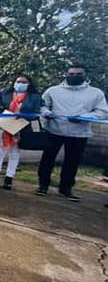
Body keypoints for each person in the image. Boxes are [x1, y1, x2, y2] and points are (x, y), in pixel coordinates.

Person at [37, 65, 108, 201]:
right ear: (66, 74)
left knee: (72, 162)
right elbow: (42, 105)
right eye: (72, 73)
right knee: (47, 159)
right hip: (54, 130)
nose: (75, 76)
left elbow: (102, 112)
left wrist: (84, 117)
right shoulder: (53, 90)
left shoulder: (96, 93)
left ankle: (66, 188)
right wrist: (47, 113)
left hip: (79, 133)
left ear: (85, 75)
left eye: (78, 74)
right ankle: (43, 185)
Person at [0, 75, 42, 190]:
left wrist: (23, 116)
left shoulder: (35, 97)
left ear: (29, 84)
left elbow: (36, 114)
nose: (20, 84)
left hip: (21, 126)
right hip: (3, 124)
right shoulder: (6, 92)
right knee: (0, 151)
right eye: (18, 81)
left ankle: (9, 178)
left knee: (15, 153)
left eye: (23, 82)